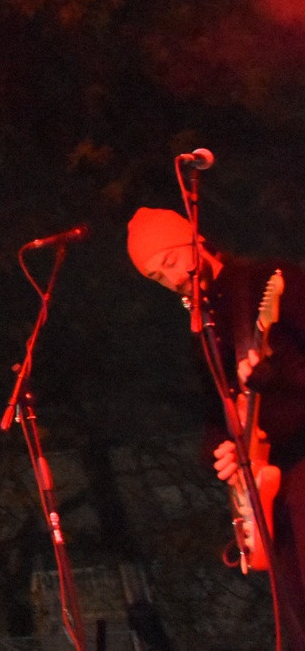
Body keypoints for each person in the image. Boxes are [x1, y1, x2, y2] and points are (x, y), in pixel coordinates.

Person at [128, 207, 305, 643]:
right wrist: (221, 451)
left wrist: (277, 378)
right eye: (156, 276)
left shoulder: (268, 280)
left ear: (195, 239)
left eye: (169, 262)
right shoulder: (203, 329)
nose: (170, 279)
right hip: (271, 485)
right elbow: (218, 411)